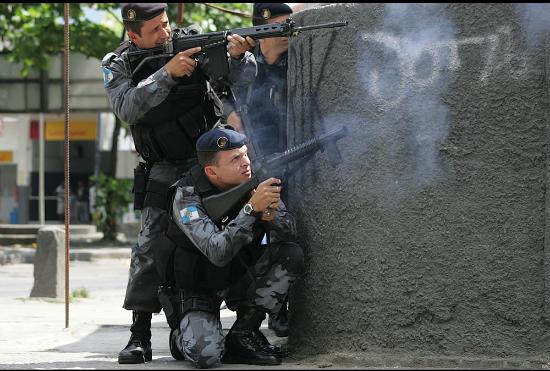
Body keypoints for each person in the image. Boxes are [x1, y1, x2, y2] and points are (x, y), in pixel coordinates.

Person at [101, 3, 257, 364]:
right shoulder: (118, 63)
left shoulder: (192, 42)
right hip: (163, 168)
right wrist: (167, 73)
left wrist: (237, 57)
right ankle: (139, 335)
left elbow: (240, 79)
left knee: (243, 226)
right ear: (133, 34)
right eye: (154, 30)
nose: (165, 34)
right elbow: (127, 107)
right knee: (149, 246)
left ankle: (246, 323)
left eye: (166, 24)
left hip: (209, 164)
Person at [165, 126, 303, 368]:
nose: (246, 162)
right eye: (235, 159)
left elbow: (291, 233)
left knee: (290, 254)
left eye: (246, 153)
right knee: (206, 355)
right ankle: (180, 338)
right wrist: (250, 210)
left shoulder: (255, 180)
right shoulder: (186, 197)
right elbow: (217, 252)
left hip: (239, 274)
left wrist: (272, 217)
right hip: (199, 283)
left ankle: (243, 334)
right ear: (212, 171)